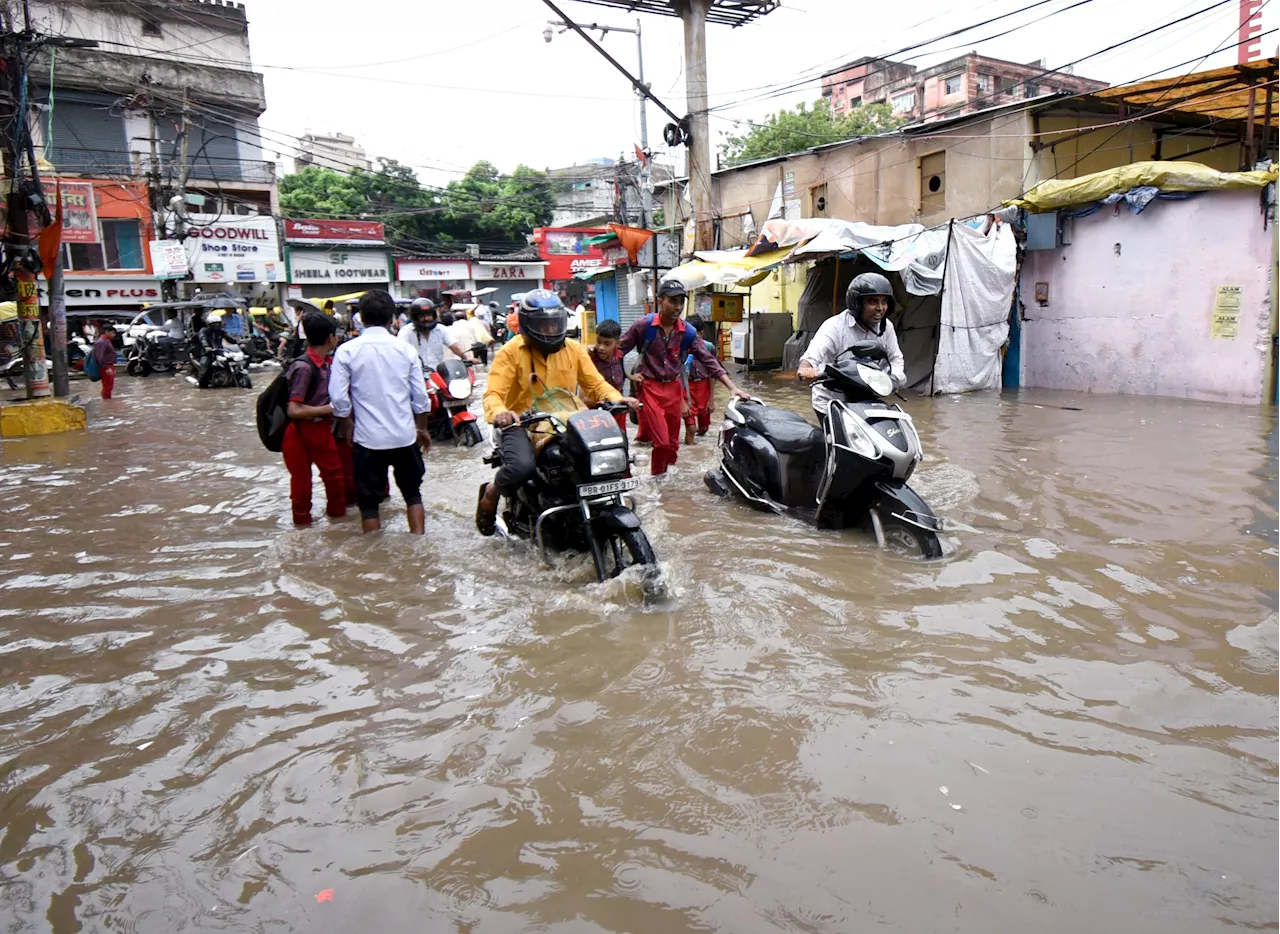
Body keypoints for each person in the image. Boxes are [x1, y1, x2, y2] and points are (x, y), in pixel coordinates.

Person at [475, 290, 638, 536]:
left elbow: (595, 384)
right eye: (544, 325)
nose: (551, 330)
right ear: (528, 325)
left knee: (606, 455)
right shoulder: (510, 352)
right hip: (523, 422)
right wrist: (501, 412)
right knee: (522, 467)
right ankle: (492, 492)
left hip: (567, 419)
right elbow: (493, 394)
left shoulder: (573, 349)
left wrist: (617, 398)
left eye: (555, 323)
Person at [619, 279, 751, 476]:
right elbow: (618, 350)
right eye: (673, 301)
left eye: (681, 302)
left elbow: (709, 360)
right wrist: (627, 375)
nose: (678, 307)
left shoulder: (687, 332)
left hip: (674, 388)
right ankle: (657, 479)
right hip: (649, 388)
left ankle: (667, 487)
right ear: (661, 300)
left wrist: (732, 387)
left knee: (673, 446)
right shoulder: (643, 326)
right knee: (662, 442)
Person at [329, 290, 432, 534]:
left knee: (369, 504)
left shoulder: (347, 351)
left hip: (367, 440)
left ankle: (374, 555)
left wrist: (347, 428)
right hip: (404, 436)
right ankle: (419, 546)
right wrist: (422, 428)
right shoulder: (405, 350)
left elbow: (338, 399)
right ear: (392, 319)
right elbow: (421, 398)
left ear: (361, 318)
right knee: (413, 494)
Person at [797, 272, 906, 425]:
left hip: (866, 395)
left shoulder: (886, 327)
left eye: (884, 302)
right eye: (873, 302)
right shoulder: (834, 326)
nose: (880, 308)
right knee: (839, 445)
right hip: (831, 400)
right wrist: (806, 369)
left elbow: (895, 358)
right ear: (857, 304)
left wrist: (894, 378)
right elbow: (813, 355)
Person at [282, 313, 356, 527]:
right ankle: (305, 526)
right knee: (304, 486)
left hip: (321, 428)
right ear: (330, 338)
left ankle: (336, 525)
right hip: (304, 429)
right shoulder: (304, 367)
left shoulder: (329, 364)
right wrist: (330, 409)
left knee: (335, 480)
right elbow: (294, 410)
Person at [398, 298, 474, 372]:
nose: (426, 318)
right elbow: (400, 352)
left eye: (429, 315)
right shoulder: (406, 332)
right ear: (415, 317)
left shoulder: (441, 329)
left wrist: (466, 357)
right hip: (415, 374)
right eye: (422, 316)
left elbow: (454, 345)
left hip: (438, 375)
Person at [682, 314, 719, 444]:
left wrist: (711, 399)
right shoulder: (681, 348)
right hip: (687, 389)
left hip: (704, 389)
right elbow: (675, 376)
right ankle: (689, 453)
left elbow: (713, 374)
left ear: (701, 334)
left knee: (703, 428)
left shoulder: (709, 348)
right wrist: (682, 401)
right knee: (691, 428)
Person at [587, 318, 628, 434]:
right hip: (597, 416)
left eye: (607, 344)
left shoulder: (619, 357)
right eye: (598, 342)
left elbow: (620, 376)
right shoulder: (590, 360)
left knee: (620, 443)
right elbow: (584, 398)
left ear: (617, 343)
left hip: (618, 412)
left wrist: (632, 377)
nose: (601, 347)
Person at [195, 310, 230, 388]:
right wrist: (206, 346)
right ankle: (202, 384)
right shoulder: (204, 331)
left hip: (220, 351)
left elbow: (230, 338)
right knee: (205, 368)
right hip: (207, 353)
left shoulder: (221, 331)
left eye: (218, 324)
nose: (216, 326)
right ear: (209, 325)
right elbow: (203, 338)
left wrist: (239, 343)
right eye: (214, 324)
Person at [92, 323, 118, 399]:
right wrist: (106, 368)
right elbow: (99, 357)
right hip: (106, 366)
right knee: (107, 386)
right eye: (112, 333)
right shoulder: (101, 342)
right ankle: (107, 402)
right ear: (107, 332)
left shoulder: (106, 341)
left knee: (109, 386)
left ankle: (107, 402)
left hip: (109, 365)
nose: (114, 335)